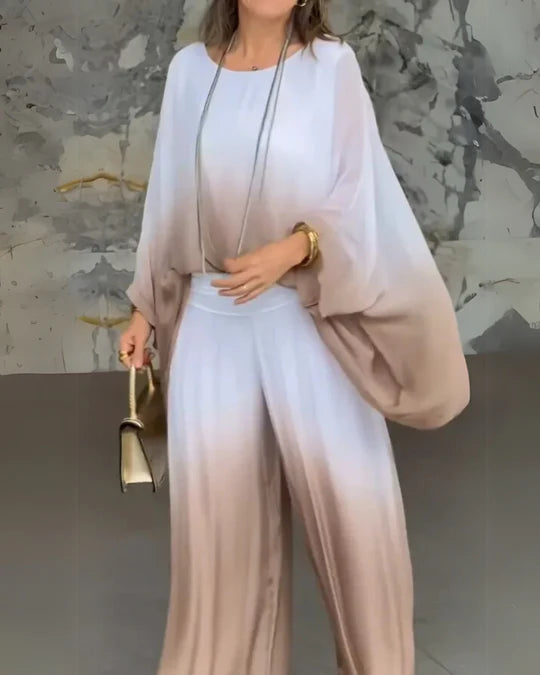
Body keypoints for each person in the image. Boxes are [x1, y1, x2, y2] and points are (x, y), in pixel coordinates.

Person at [118, 1, 470, 673]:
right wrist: (145, 309)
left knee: (355, 515)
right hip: (209, 319)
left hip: (301, 314)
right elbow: (166, 199)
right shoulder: (188, 73)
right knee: (218, 535)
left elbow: (359, 195)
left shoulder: (331, 68)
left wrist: (293, 248)